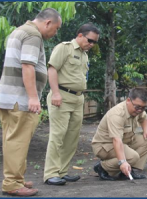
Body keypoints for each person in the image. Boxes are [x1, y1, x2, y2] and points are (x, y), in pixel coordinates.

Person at [0, 8, 62, 197]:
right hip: (20, 97)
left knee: (13, 140)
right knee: (18, 141)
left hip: (8, 96)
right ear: (48, 22)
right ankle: (12, 183)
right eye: (56, 29)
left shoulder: (19, 31)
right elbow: (27, 65)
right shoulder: (33, 35)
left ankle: (16, 178)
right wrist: (33, 97)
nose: (55, 33)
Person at [43, 23, 100, 185]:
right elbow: (52, 69)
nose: (92, 44)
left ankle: (62, 171)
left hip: (78, 98)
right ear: (80, 35)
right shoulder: (64, 48)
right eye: (90, 40)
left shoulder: (84, 54)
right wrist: (55, 93)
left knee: (72, 137)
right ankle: (50, 173)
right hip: (61, 95)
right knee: (57, 135)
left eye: (94, 42)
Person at [92, 88, 147, 181]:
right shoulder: (117, 114)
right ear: (128, 100)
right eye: (137, 107)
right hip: (105, 146)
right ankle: (102, 167)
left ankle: (127, 171)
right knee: (133, 157)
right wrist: (122, 161)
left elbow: (144, 118)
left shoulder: (138, 109)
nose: (140, 110)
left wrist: (146, 130)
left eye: (143, 107)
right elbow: (116, 140)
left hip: (125, 141)